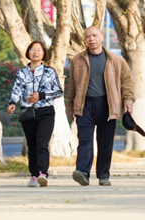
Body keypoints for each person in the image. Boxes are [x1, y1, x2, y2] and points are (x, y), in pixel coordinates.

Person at [66, 26, 135, 187]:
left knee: (105, 142)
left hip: (108, 104)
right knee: (84, 140)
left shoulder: (116, 60)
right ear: (85, 40)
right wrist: (71, 107)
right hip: (85, 105)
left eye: (95, 35)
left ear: (102, 37)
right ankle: (82, 172)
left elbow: (127, 83)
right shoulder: (77, 60)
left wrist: (128, 100)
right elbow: (72, 87)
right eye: (88, 36)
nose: (91, 39)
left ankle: (103, 175)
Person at [7, 41, 64, 187]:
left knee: (42, 144)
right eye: (33, 49)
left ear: (44, 53)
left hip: (46, 112)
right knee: (31, 146)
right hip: (28, 112)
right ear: (28, 52)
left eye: (39, 50)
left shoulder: (50, 72)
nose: (36, 52)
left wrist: (41, 95)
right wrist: (12, 103)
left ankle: (42, 174)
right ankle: (33, 175)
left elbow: (59, 91)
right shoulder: (21, 73)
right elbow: (16, 90)